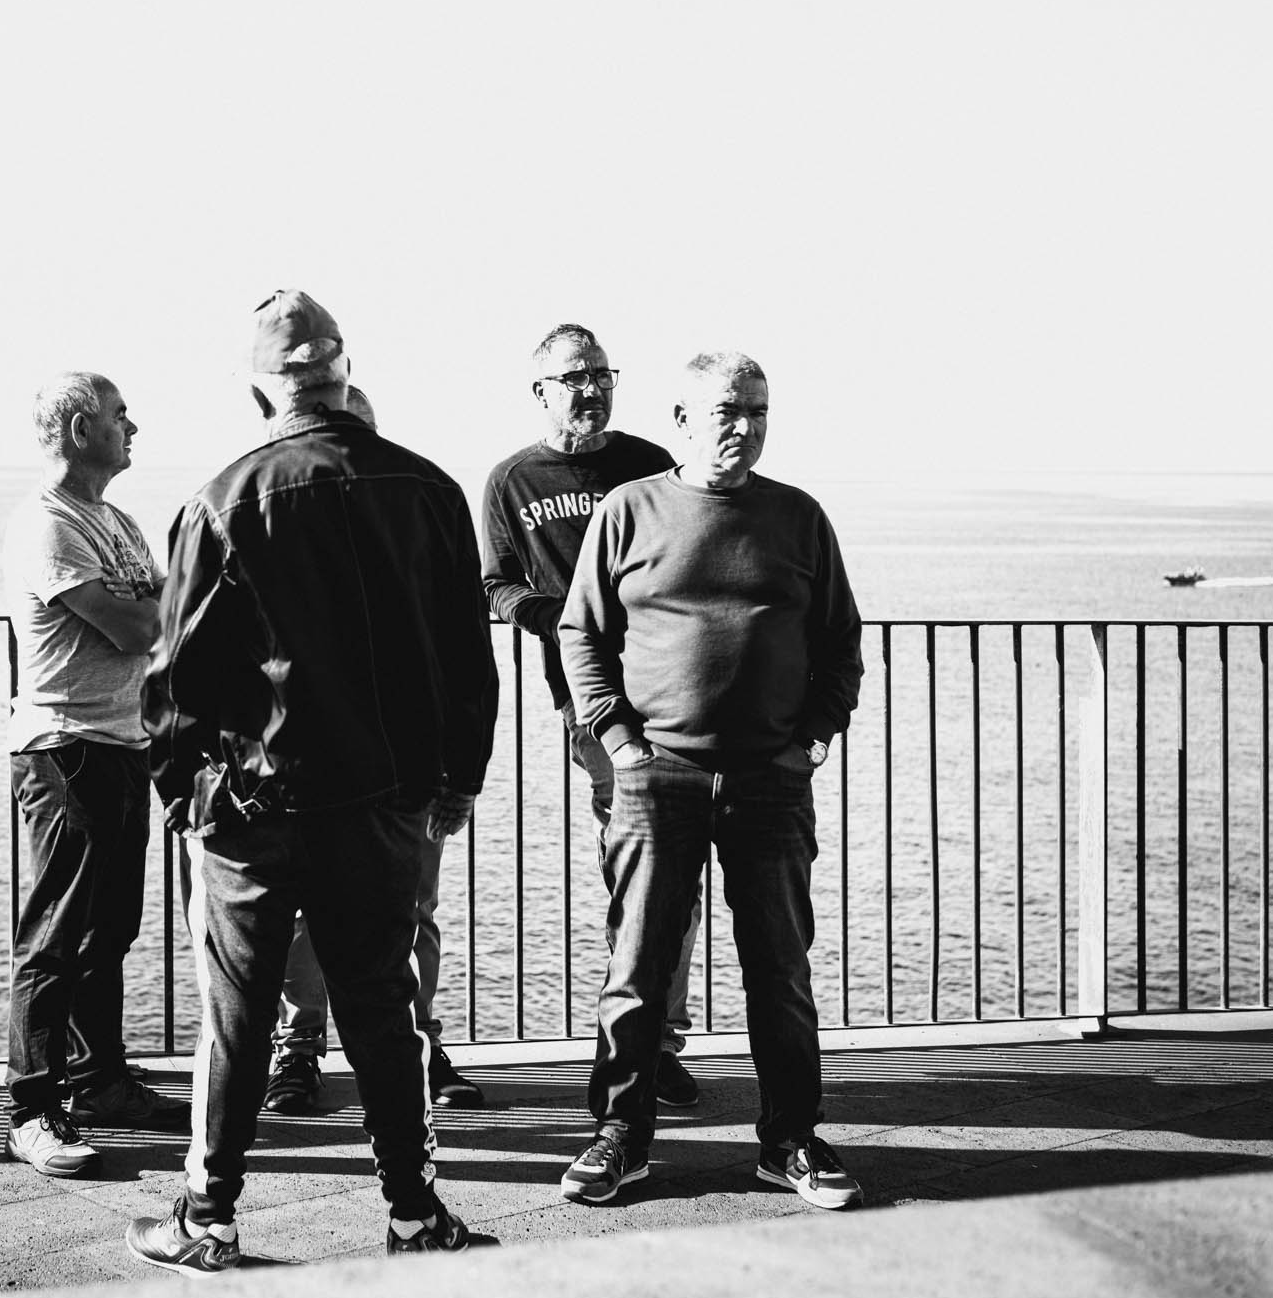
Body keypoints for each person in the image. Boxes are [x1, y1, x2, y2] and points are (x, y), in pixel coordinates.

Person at [127, 290, 500, 1274]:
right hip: (381, 804)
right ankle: (414, 1213)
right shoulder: (426, 490)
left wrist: (180, 796)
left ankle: (208, 1217)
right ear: (341, 368)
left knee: (234, 1020)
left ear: (260, 384)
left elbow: (175, 680)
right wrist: (454, 780)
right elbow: (467, 659)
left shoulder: (221, 497)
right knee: (384, 1009)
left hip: (256, 808)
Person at [556, 350, 865, 1210]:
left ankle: (792, 1140)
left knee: (780, 968)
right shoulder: (631, 509)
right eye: (727, 410)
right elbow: (581, 633)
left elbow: (842, 641)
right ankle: (619, 1134)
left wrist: (810, 740)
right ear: (684, 419)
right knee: (640, 966)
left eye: (759, 410)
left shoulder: (799, 518)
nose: (745, 426)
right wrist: (618, 739)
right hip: (659, 776)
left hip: (770, 777)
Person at [477, 324, 703, 1107]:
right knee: (640, 864)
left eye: (601, 373)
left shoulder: (650, 464)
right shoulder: (513, 480)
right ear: (540, 390)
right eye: (573, 376)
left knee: (670, 869)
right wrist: (558, 616)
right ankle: (636, 1040)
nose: (590, 388)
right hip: (594, 700)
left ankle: (653, 1039)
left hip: (679, 691)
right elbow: (494, 586)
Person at [263, 384, 486, 1116]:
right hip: (312, 763)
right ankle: (301, 1049)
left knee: (409, 909)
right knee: (322, 914)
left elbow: (464, 648)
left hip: (403, 763)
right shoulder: (278, 514)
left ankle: (414, 1043)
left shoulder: (417, 513)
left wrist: (465, 770)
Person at [0, 371, 186, 1182]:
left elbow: (161, 613)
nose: (133, 426)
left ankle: (101, 1081)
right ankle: (32, 1109)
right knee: (58, 931)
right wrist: (150, 609)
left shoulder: (116, 519)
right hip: (65, 745)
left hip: (123, 740)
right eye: (117, 416)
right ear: (80, 430)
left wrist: (154, 610)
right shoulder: (47, 525)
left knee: (111, 926)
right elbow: (141, 621)